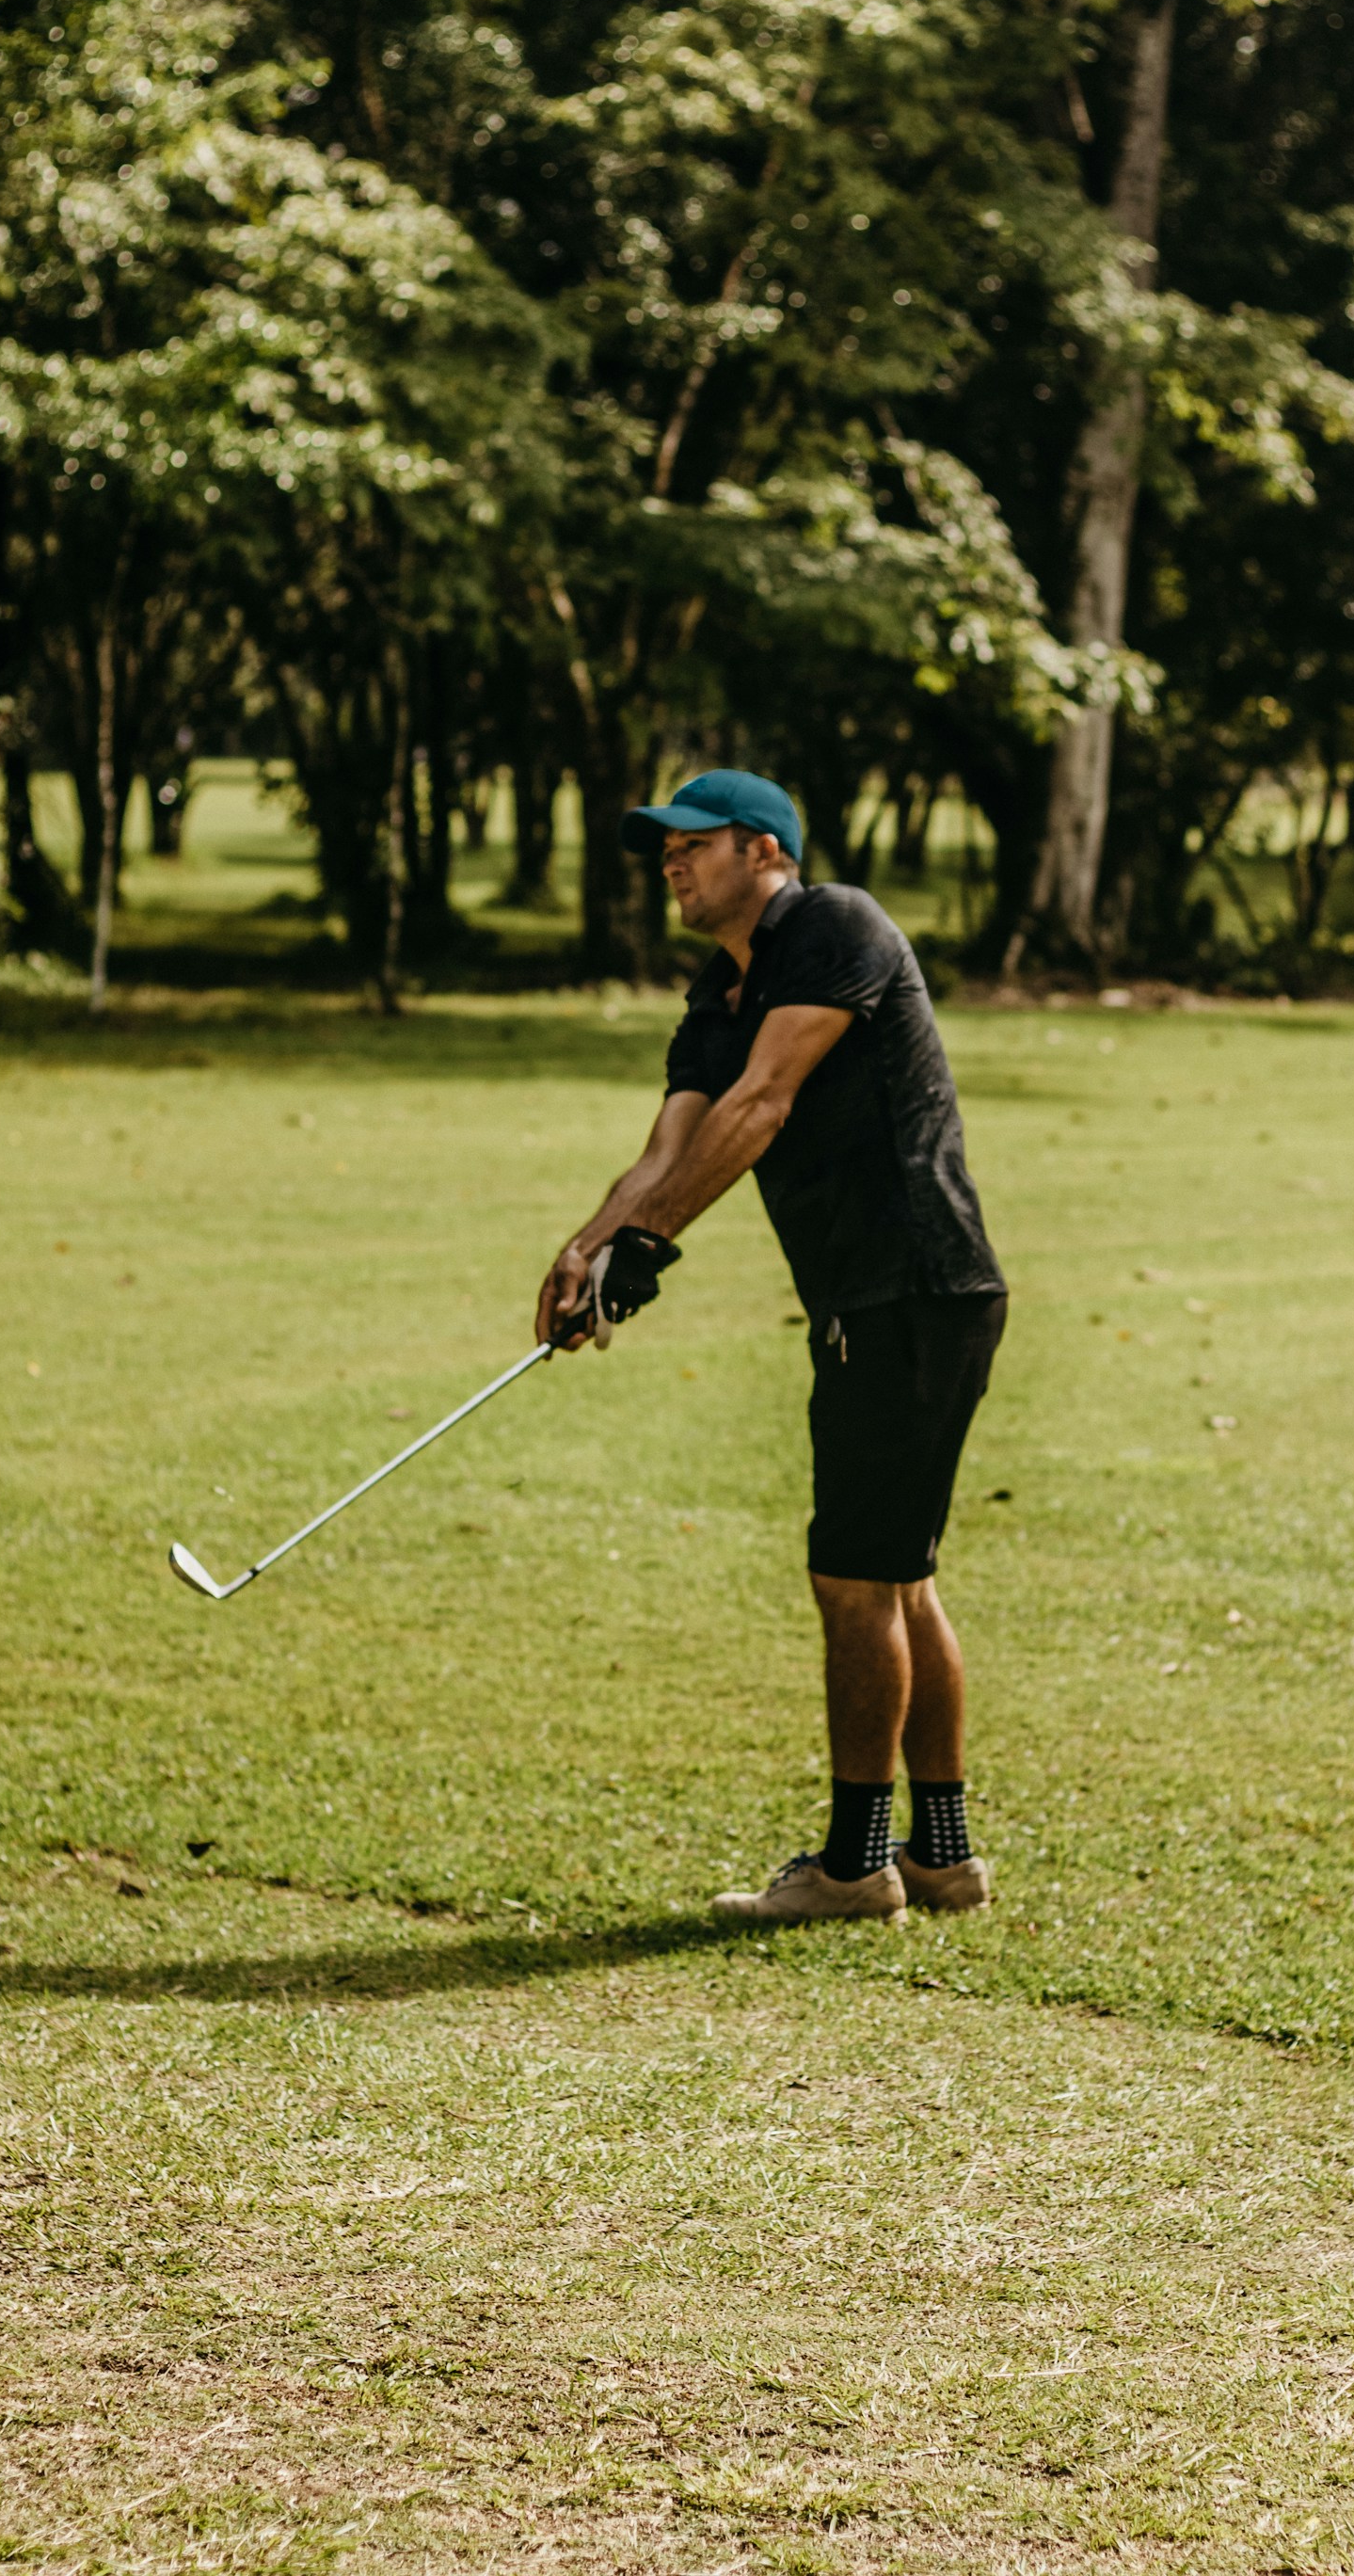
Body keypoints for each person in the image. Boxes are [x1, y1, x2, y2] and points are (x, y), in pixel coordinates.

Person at [536, 770, 1007, 1927]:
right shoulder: (718, 991)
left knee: (854, 1582)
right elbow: (674, 1141)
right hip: (875, 1302)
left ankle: (855, 1869)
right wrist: (589, 1249)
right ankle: (939, 1855)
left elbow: (761, 1107)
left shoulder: (834, 925)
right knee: (896, 1574)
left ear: (763, 851)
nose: (671, 865)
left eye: (692, 846)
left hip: (914, 1289)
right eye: (662, 852)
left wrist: (648, 1243)